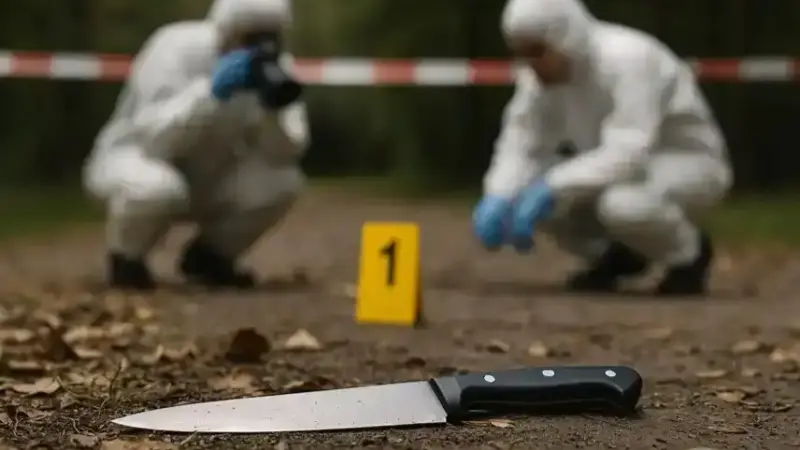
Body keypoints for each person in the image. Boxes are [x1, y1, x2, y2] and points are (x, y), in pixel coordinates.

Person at [472, 0, 733, 295]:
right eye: (521, 53)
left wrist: (552, 186)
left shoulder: (630, 59)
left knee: (621, 205)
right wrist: (499, 194)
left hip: (688, 163)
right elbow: (523, 141)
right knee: (530, 192)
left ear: (564, 36)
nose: (530, 63)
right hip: (612, 168)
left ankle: (689, 255)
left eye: (536, 51)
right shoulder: (540, 79)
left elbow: (628, 150)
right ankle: (618, 256)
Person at [82, 0, 310, 291]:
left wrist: (272, 111)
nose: (259, 48)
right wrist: (209, 95)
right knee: (157, 189)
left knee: (284, 182)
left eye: (270, 37)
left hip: (208, 175)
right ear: (224, 32)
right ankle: (127, 261)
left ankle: (210, 258)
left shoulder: (277, 68)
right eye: (250, 38)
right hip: (134, 161)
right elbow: (155, 139)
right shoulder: (174, 47)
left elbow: (285, 154)